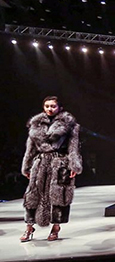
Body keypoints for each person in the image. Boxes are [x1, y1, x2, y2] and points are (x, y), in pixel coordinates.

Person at [20, 96, 82, 242]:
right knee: (33, 195)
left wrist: (74, 165)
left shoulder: (69, 124)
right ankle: (29, 227)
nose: (50, 109)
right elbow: (30, 148)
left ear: (59, 108)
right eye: (47, 106)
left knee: (59, 196)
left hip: (60, 163)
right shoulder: (35, 124)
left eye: (53, 106)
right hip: (40, 163)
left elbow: (74, 147)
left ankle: (56, 227)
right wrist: (26, 166)